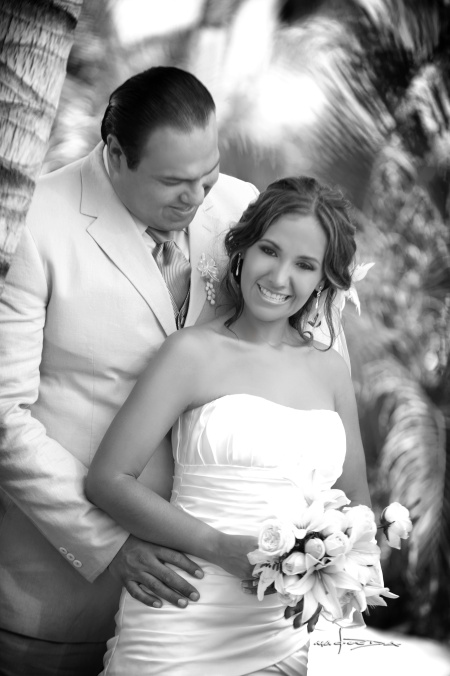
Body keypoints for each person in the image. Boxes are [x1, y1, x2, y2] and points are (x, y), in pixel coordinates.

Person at [0, 66, 260, 676]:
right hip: (59, 587)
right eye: (174, 182)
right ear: (115, 155)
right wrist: (111, 542)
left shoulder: (242, 210)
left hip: (206, 599)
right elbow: (3, 414)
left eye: (208, 175)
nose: (196, 200)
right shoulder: (34, 224)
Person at [86, 176, 370, 675]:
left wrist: (339, 585)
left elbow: (357, 508)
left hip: (290, 633)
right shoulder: (191, 352)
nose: (279, 277)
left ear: (323, 280)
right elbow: (108, 480)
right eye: (269, 250)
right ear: (243, 248)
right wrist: (218, 548)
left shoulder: (330, 369)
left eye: (304, 265)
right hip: (186, 613)